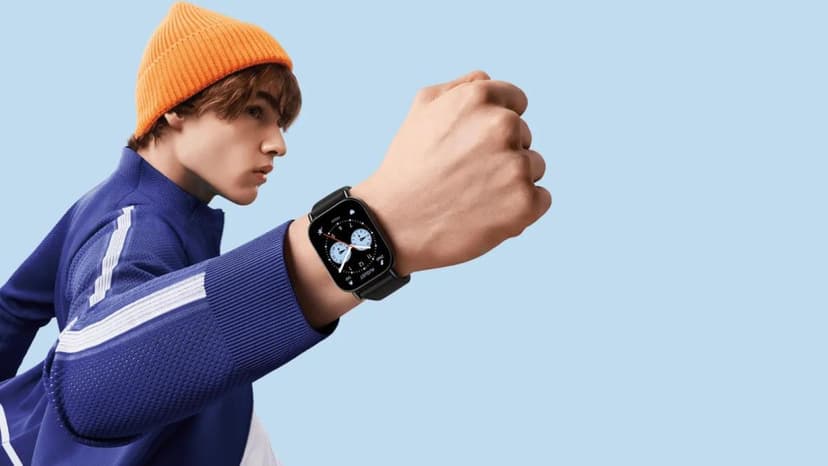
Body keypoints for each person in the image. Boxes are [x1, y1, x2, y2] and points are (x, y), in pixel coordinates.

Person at [0, 2, 550, 465]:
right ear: (175, 111)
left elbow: (14, 310)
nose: (277, 143)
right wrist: (375, 226)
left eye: (280, 123)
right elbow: (91, 380)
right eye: (254, 112)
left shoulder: (130, 206)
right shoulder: (134, 222)